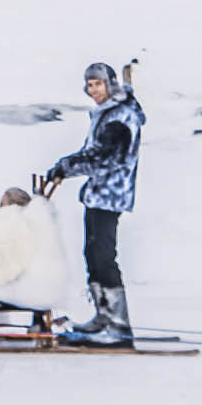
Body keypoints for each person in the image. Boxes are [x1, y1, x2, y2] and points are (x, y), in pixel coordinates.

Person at [38, 58, 144, 346]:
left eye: (97, 84)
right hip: (99, 193)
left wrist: (66, 166)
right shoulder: (108, 113)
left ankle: (118, 325)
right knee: (93, 255)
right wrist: (67, 165)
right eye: (89, 84)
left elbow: (104, 158)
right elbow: (94, 153)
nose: (92, 89)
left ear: (109, 84)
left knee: (104, 258)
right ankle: (103, 317)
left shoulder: (120, 117)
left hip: (110, 195)